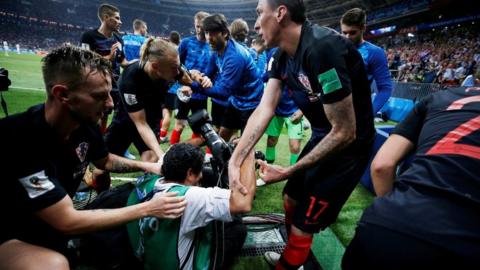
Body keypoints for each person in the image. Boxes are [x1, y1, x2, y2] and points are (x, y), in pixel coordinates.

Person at [0, 45, 187, 270]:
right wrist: (148, 208)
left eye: (109, 93)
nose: (110, 104)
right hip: (9, 231)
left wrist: (149, 167)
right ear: (62, 94)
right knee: (54, 265)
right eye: (100, 96)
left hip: (44, 225)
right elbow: (67, 220)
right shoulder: (21, 139)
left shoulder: (83, 125)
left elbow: (104, 160)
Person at [228, 1, 375, 269]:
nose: (256, 24)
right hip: (323, 136)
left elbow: (345, 132)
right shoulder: (280, 54)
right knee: (290, 199)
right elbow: (265, 108)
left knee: (302, 224)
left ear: (281, 13)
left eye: (260, 13)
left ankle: (291, 260)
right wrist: (234, 160)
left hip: (349, 148)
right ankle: (298, 255)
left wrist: (288, 170)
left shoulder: (322, 49)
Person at [342, 87, 480, 269]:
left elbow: (382, 166)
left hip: (388, 221)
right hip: (463, 240)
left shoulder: (440, 96)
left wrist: (391, 209)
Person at [93, 37, 211, 184]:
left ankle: (144, 200)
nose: (178, 71)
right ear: (155, 67)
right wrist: (161, 154)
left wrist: (201, 78)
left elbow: (188, 77)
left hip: (152, 119)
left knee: (151, 165)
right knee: (100, 171)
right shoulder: (131, 78)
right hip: (126, 122)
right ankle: (102, 198)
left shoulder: (173, 67)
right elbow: (140, 124)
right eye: (174, 68)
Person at [127, 143, 256, 270]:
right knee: (238, 228)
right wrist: (249, 152)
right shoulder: (190, 198)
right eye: (199, 171)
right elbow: (243, 203)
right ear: (189, 173)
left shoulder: (148, 180)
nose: (201, 175)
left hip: (148, 258)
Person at [186, 14, 264, 142]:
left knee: (245, 147)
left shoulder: (235, 57)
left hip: (252, 104)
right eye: (206, 33)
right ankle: (217, 160)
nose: (208, 38)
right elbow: (208, 73)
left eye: (213, 34)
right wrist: (199, 77)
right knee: (222, 136)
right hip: (236, 100)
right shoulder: (216, 50)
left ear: (225, 34)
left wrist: (190, 84)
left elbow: (223, 92)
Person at [80, 3, 129, 133]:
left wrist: (138, 63)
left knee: (109, 113)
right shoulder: (89, 36)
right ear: (106, 17)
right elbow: (84, 60)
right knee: (93, 113)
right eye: (117, 18)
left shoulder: (119, 38)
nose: (120, 21)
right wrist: (108, 58)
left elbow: (122, 61)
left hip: (114, 83)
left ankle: (102, 139)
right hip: (94, 82)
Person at [169, 11, 212, 146]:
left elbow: (214, 70)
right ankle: (172, 152)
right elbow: (177, 64)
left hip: (201, 94)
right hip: (184, 92)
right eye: (197, 26)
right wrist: (185, 81)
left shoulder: (212, 47)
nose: (199, 30)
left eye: (202, 27)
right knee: (180, 124)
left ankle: (192, 154)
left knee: (199, 127)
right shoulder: (186, 43)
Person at [340, 8, 393, 114]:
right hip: (334, 111)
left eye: (352, 33)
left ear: (363, 28)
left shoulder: (375, 52)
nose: (347, 37)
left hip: (358, 111)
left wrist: (370, 113)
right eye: (344, 32)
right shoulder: (334, 48)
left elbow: (385, 88)